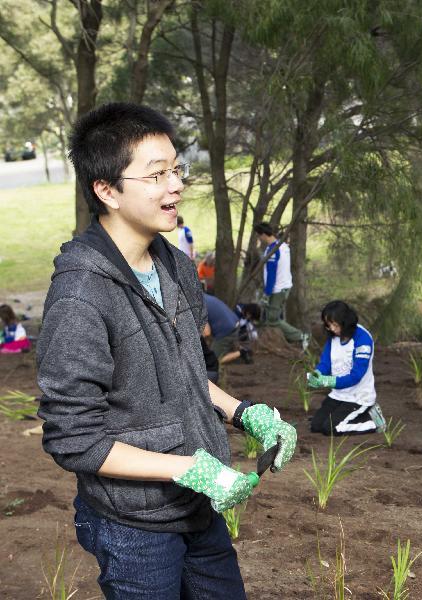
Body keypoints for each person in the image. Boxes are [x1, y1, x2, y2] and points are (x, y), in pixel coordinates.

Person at [36, 102, 298, 598]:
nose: (175, 185)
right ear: (107, 190)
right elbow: (73, 438)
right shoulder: (81, 297)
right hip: (131, 525)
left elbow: (182, 372)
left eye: (177, 169)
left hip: (197, 510)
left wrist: (246, 413)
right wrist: (187, 468)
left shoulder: (175, 268)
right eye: (156, 175)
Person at [308, 300, 385, 435]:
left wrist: (329, 381)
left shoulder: (363, 339)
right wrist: (318, 373)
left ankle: (373, 421)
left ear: (345, 322)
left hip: (358, 396)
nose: (332, 329)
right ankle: (357, 416)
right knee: (316, 426)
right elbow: (326, 363)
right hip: (338, 395)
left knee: (331, 429)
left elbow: (356, 376)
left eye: (335, 325)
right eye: (328, 325)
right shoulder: (333, 337)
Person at [253, 222, 310, 349]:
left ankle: (301, 336)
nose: (259, 238)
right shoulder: (282, 245)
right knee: (273, 315)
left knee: (272, 319)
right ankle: (277, 338)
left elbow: (272, 275)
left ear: (263, 234)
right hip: (284, 286)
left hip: (277, 288)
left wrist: (267, 294)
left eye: (258, 235)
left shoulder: (273, 250)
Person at [202, 293, 260, 366]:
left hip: (226, 330)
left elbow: (207, 333)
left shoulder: (197, 305)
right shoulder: (204, 297)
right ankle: (237, 349)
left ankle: (243, 352)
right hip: (232, 324)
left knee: (212, 362)